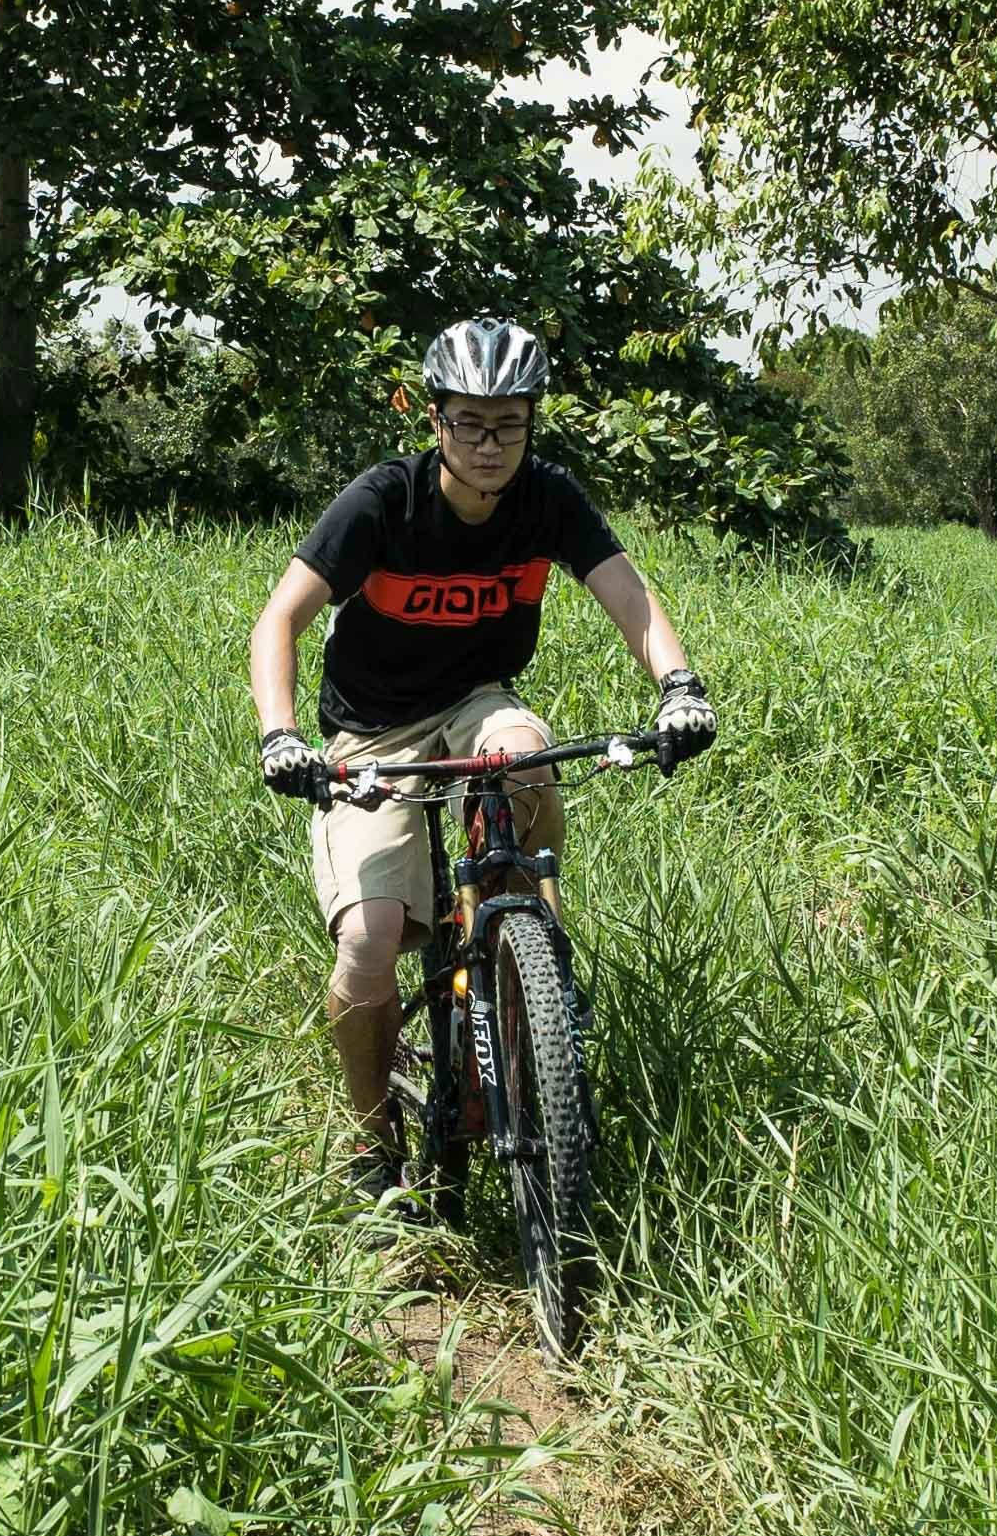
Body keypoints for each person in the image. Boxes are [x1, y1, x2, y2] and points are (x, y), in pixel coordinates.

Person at [247, 316, 718, 1205]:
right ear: (436, 422)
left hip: (477, 701)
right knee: (368, 942)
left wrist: (679, 684)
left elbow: (628, 593)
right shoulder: (385, 501)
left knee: (526, 756)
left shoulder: (547, 498)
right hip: (372, 730)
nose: (490, 442)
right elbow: (279, 622)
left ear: (532, 424)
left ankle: (530, 956)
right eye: (470, 421)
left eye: (509, 422)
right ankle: (373, 1141)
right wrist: (281, 735)